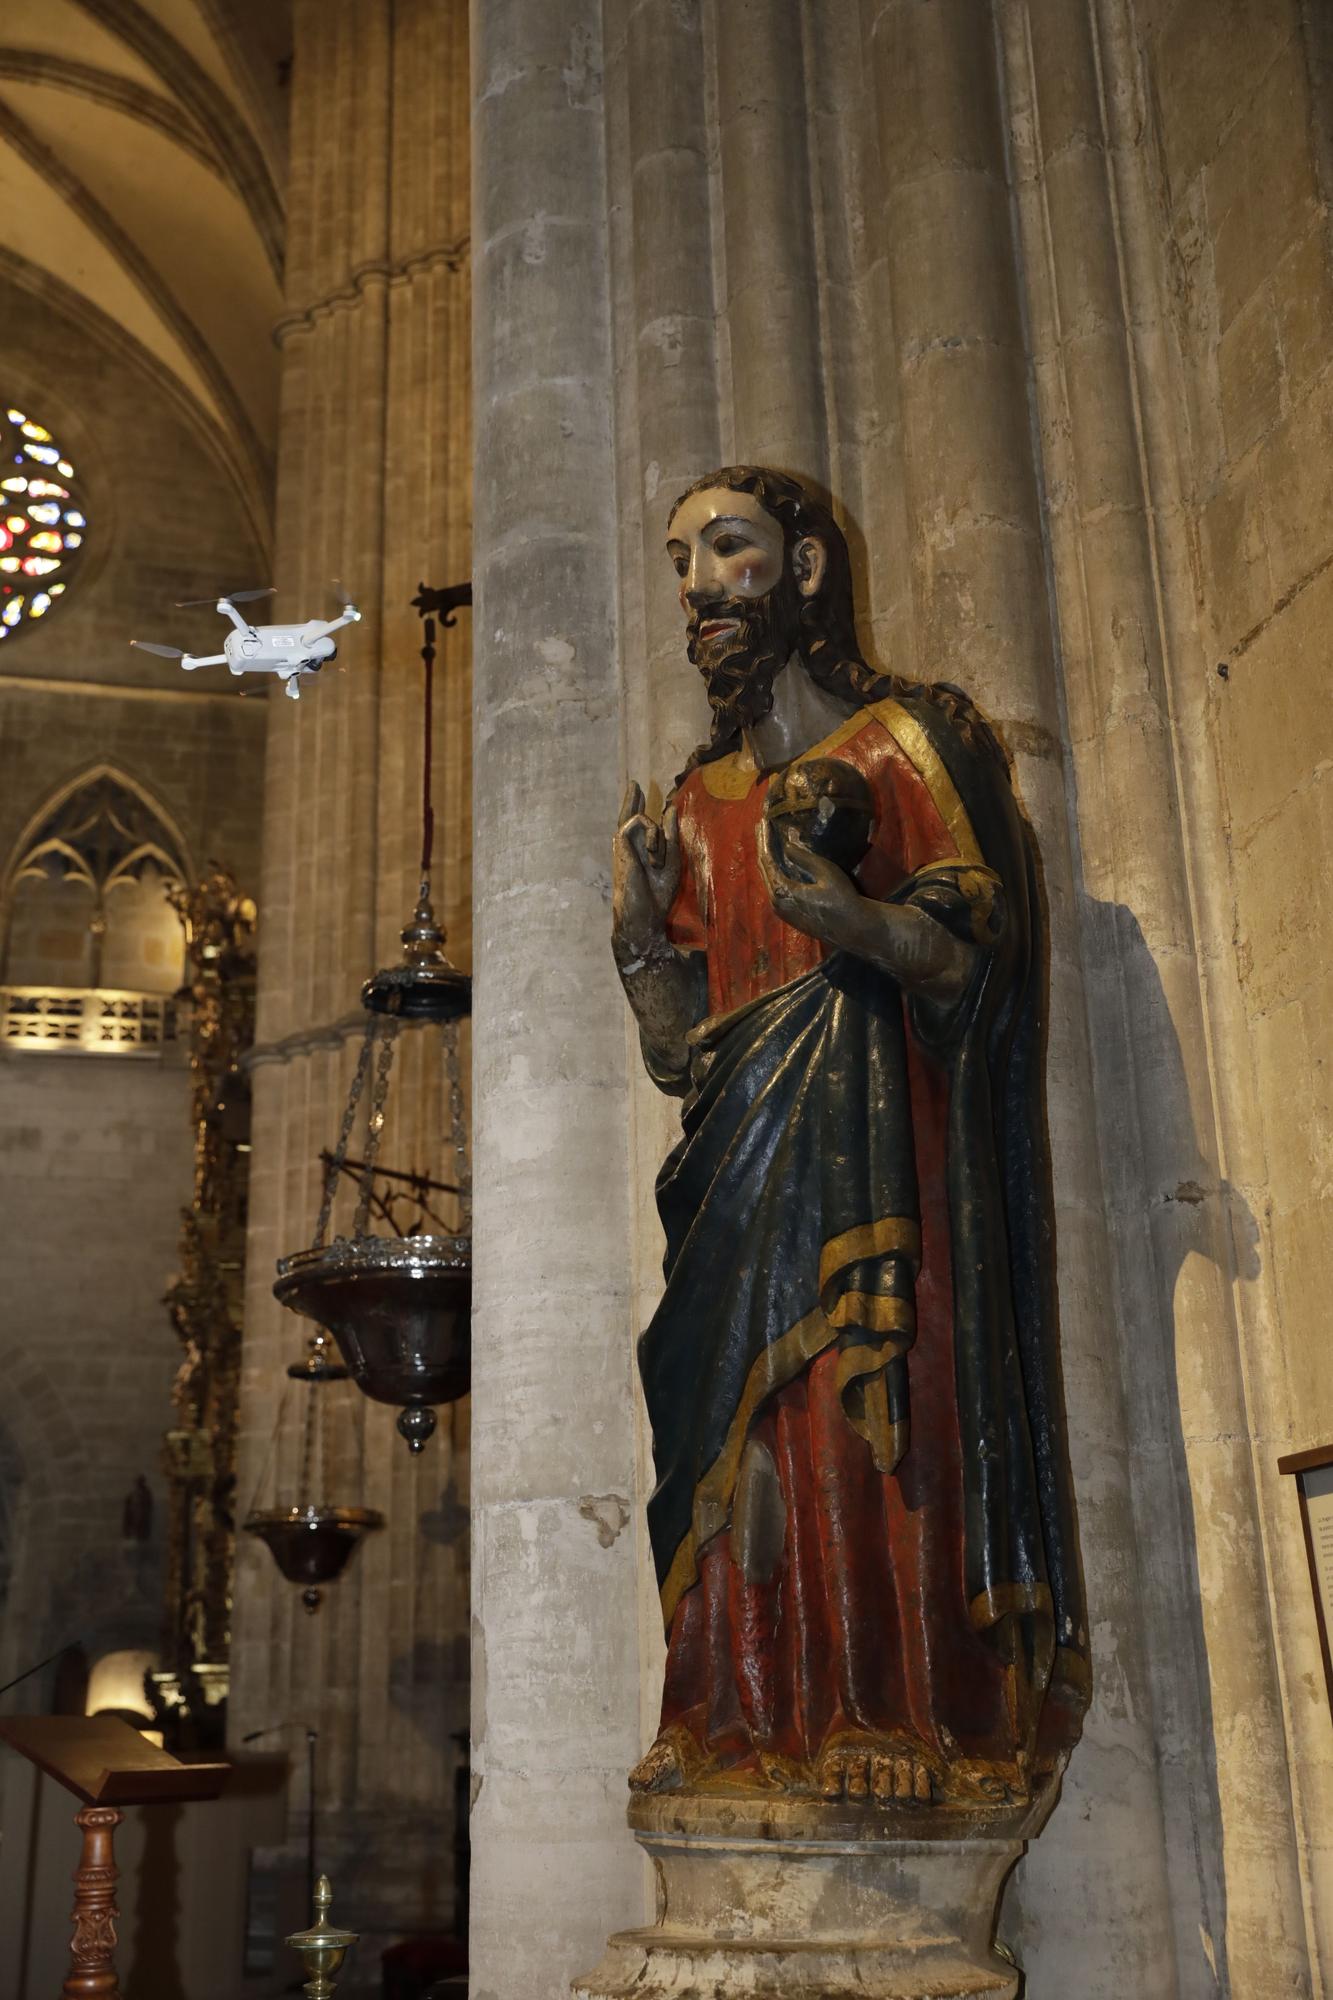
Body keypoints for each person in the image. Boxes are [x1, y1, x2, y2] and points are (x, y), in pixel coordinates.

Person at [611, 466, 1088, 1805]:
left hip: (887, 1152)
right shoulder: (697, 803)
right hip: (736, 1174)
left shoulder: (900, 749)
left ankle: (888, 1707)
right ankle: (731, 1712)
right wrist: (640, 933)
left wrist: (856, 924)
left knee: (870, 1417)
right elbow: (669, 1054)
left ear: (806, 567)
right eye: (680, 561)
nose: (699, 584)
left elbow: (974, 966)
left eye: (728, 548)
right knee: (740, 1441)